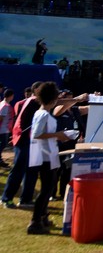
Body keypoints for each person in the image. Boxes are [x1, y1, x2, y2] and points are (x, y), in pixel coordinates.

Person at [27, 82, 71, 234]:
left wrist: (57, 137)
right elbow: (37, 134)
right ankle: (35, 221)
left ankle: (43, 216)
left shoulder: (43, 113)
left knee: (49, 187)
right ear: (52, 99)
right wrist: (57, 135)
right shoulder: (43, 114)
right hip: (45, 156)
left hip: (49, 154)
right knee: (46, 189)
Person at [2, 82, 43, 208]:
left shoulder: (33, 102)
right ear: (36, 90)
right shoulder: (32, 102)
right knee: (18, 170)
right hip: (24, 140)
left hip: (33, 142)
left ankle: (26, 199)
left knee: (32, 171)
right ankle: (6, 198)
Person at [0, 89, 15, 167]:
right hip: (3, 129)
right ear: (11, 96)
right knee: (3, 144)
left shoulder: (1, 103)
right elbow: (1, 117)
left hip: (3, 128)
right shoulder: (5, 106)